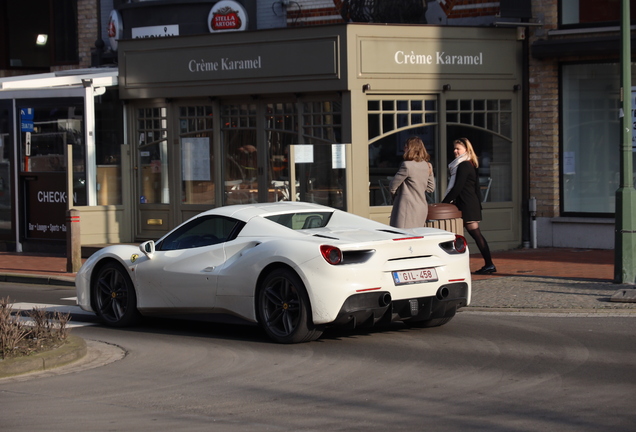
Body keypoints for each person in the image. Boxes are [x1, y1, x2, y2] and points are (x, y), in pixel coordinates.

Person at [442, 137, 496, 274]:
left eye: (458, 148)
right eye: (454, 148)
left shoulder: (464, 165)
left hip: (467, 204)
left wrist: (443, 203)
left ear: (466, 150)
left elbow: (457, 187)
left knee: (470, 235)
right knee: (471, 235)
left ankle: (487, 264)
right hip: (468, 203)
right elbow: (474, 187)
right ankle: (488, 264)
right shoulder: (467, 164)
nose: (455, 151)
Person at [389, 136, 435, 229]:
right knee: (416, 236)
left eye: (405, 147)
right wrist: (418, 187)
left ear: (410, 148)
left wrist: (397, 195)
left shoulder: (407, 165)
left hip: (406, 208)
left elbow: (392, 185)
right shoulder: (428, 165)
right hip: (421, 207)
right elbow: (431, 188)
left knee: (402, 237)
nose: (404, 149)